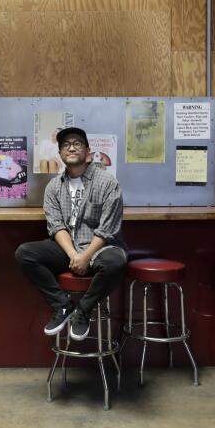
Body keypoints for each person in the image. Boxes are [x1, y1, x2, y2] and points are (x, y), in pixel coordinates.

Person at [15, 127, 129, 342]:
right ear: (60, 154)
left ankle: (83, 311)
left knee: (116, 261)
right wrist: (73, 255)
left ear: (87, 150)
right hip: (69, 249)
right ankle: (63, 306)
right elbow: (57, 226)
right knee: (25, 253)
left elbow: (107, 229)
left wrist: (85, 257)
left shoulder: (107, 182)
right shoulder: (53, 188)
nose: (71, 148)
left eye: (77, 143)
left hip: (100, 248)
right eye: (66, 145)